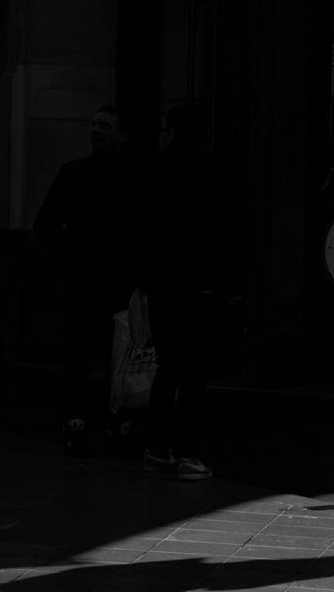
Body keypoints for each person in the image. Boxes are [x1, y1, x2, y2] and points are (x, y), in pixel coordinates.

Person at [33, 106, 143, 458]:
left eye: (105, 126)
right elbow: (45, 223)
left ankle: (113, 424)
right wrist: (78, 255)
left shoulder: (134, 176)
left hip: (115, 281)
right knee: (85, 355)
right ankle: (80, 425)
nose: (96, 130)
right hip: (92, 280)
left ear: (121, 134)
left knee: (119, 356)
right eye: (94, 125)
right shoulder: (76, 173)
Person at [138, 104, 238, 481]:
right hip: (200, 285)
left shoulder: (154, 171)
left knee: (167, 368)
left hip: (164, 285)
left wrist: (145, 281)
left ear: (174, 132)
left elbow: (142, 230)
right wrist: (230, 285)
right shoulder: (215, 173)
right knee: (193, 372)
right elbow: (230, 232)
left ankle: (157, 448)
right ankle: (188, 454)